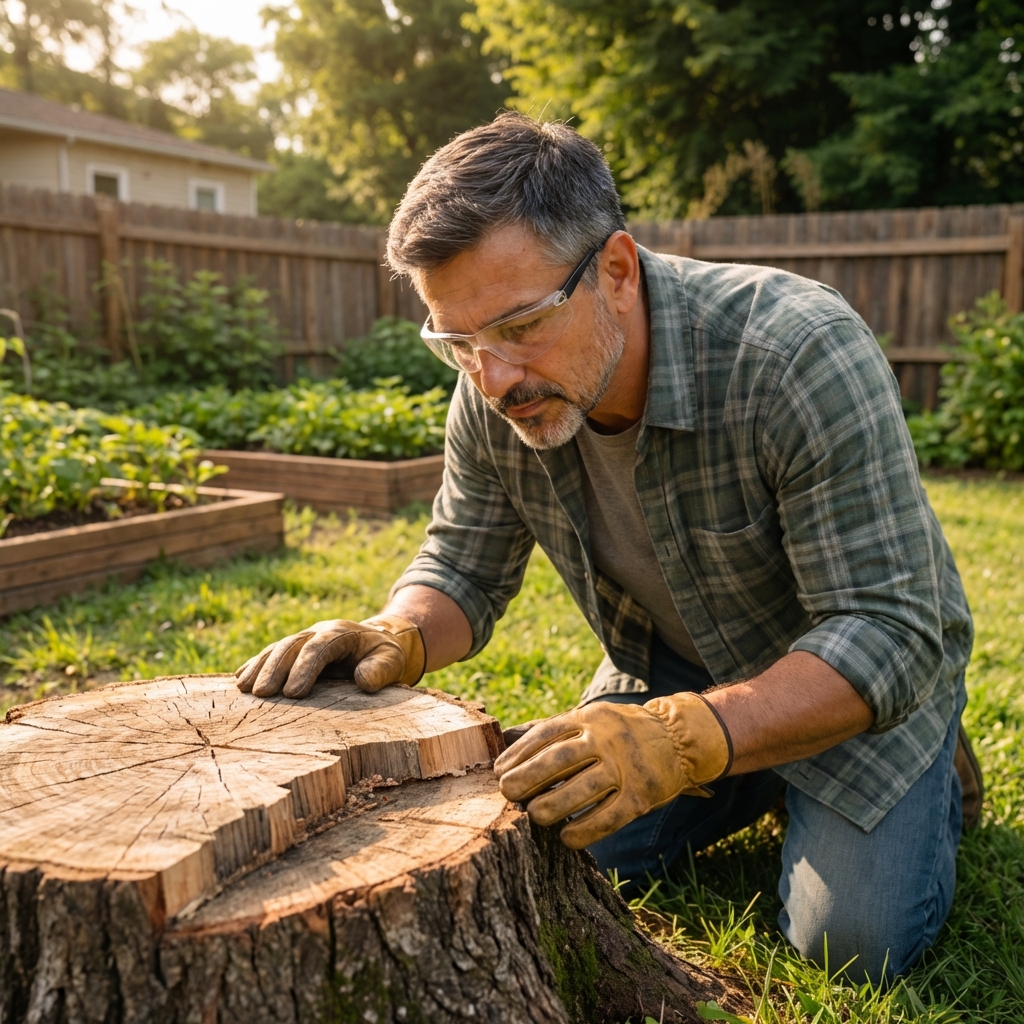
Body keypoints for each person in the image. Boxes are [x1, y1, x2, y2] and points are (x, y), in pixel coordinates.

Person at [235, 113, 981, 984]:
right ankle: (756, 774)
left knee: (847, 946)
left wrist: (683, 740)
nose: (495, 377)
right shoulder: (490, 389)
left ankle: (931, 764)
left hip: (848, 682)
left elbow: (888, 629)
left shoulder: (796, 353)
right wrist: (397, 631)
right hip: (673, 669)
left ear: (617, 271)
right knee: (546, 856)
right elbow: (462, 565)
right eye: (459, 342)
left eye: (520, 326)